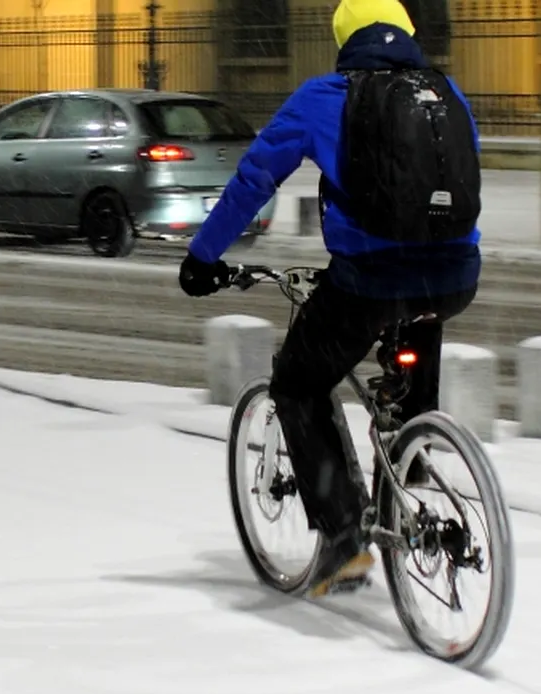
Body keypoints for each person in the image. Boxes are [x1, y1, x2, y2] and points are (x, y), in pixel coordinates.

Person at [177, 0, 483, 598]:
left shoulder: (324, 96)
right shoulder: (446, 95)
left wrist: (203, 256)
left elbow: (255, 178)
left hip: (371, 277)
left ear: (345, 38)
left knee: (298, 384)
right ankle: (413, 469)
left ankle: (344, 538)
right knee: (408, 384)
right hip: (453, 276)